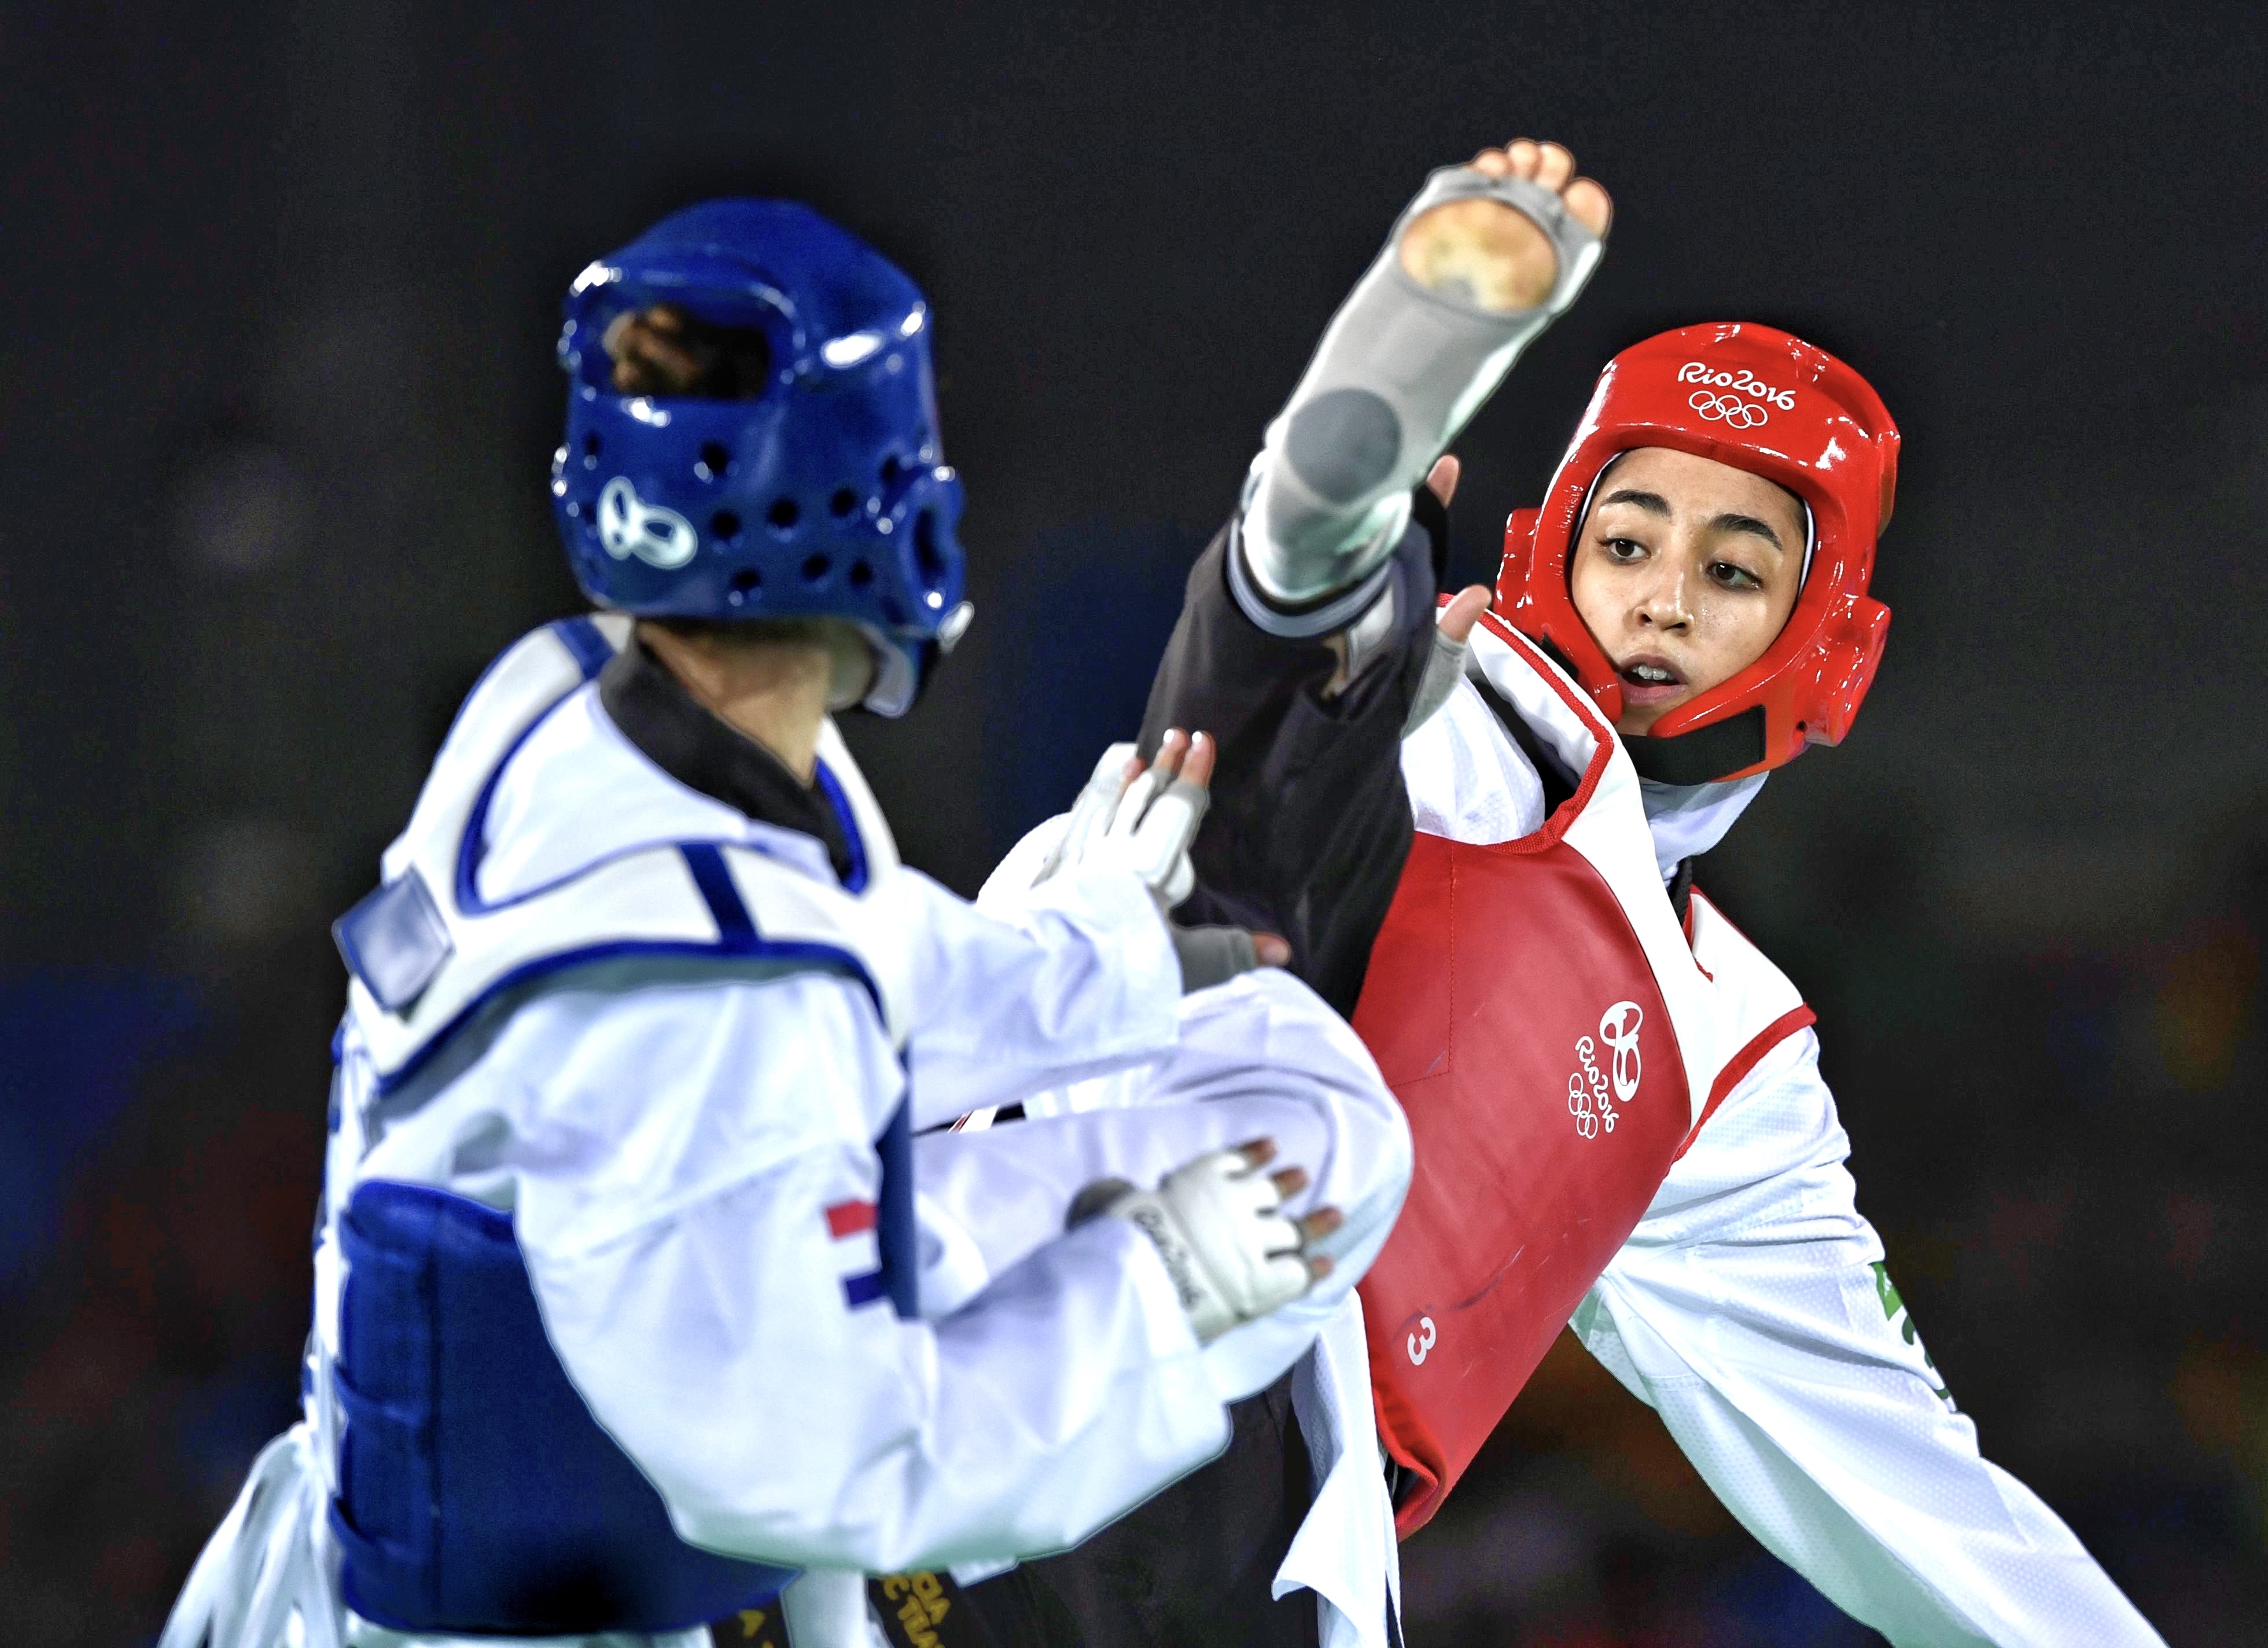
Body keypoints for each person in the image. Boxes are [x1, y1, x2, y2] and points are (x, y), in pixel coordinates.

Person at [156, 199, 1412, 1648]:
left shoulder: (553, 712)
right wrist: (1157, 1286)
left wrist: (1108, 955)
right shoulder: (719, 1004)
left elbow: (834, 945)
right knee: (1293, 1150)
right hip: (571, 1593)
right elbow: (843, 1484)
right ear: (894, 497)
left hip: (410, 1530)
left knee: (1276, 1076)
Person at [1002, 139, 2167, 1645]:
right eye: (1628, 542)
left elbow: (1923, 1505)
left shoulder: (1728, 1058)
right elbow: (1294, 615)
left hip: (1230, 1559)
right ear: (1548, 547)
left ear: (1832, 648)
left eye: (1736, 571)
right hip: (976, 1293)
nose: (1663, 597)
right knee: (1307, 664)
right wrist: (1399, 408)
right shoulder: (1445, 719)